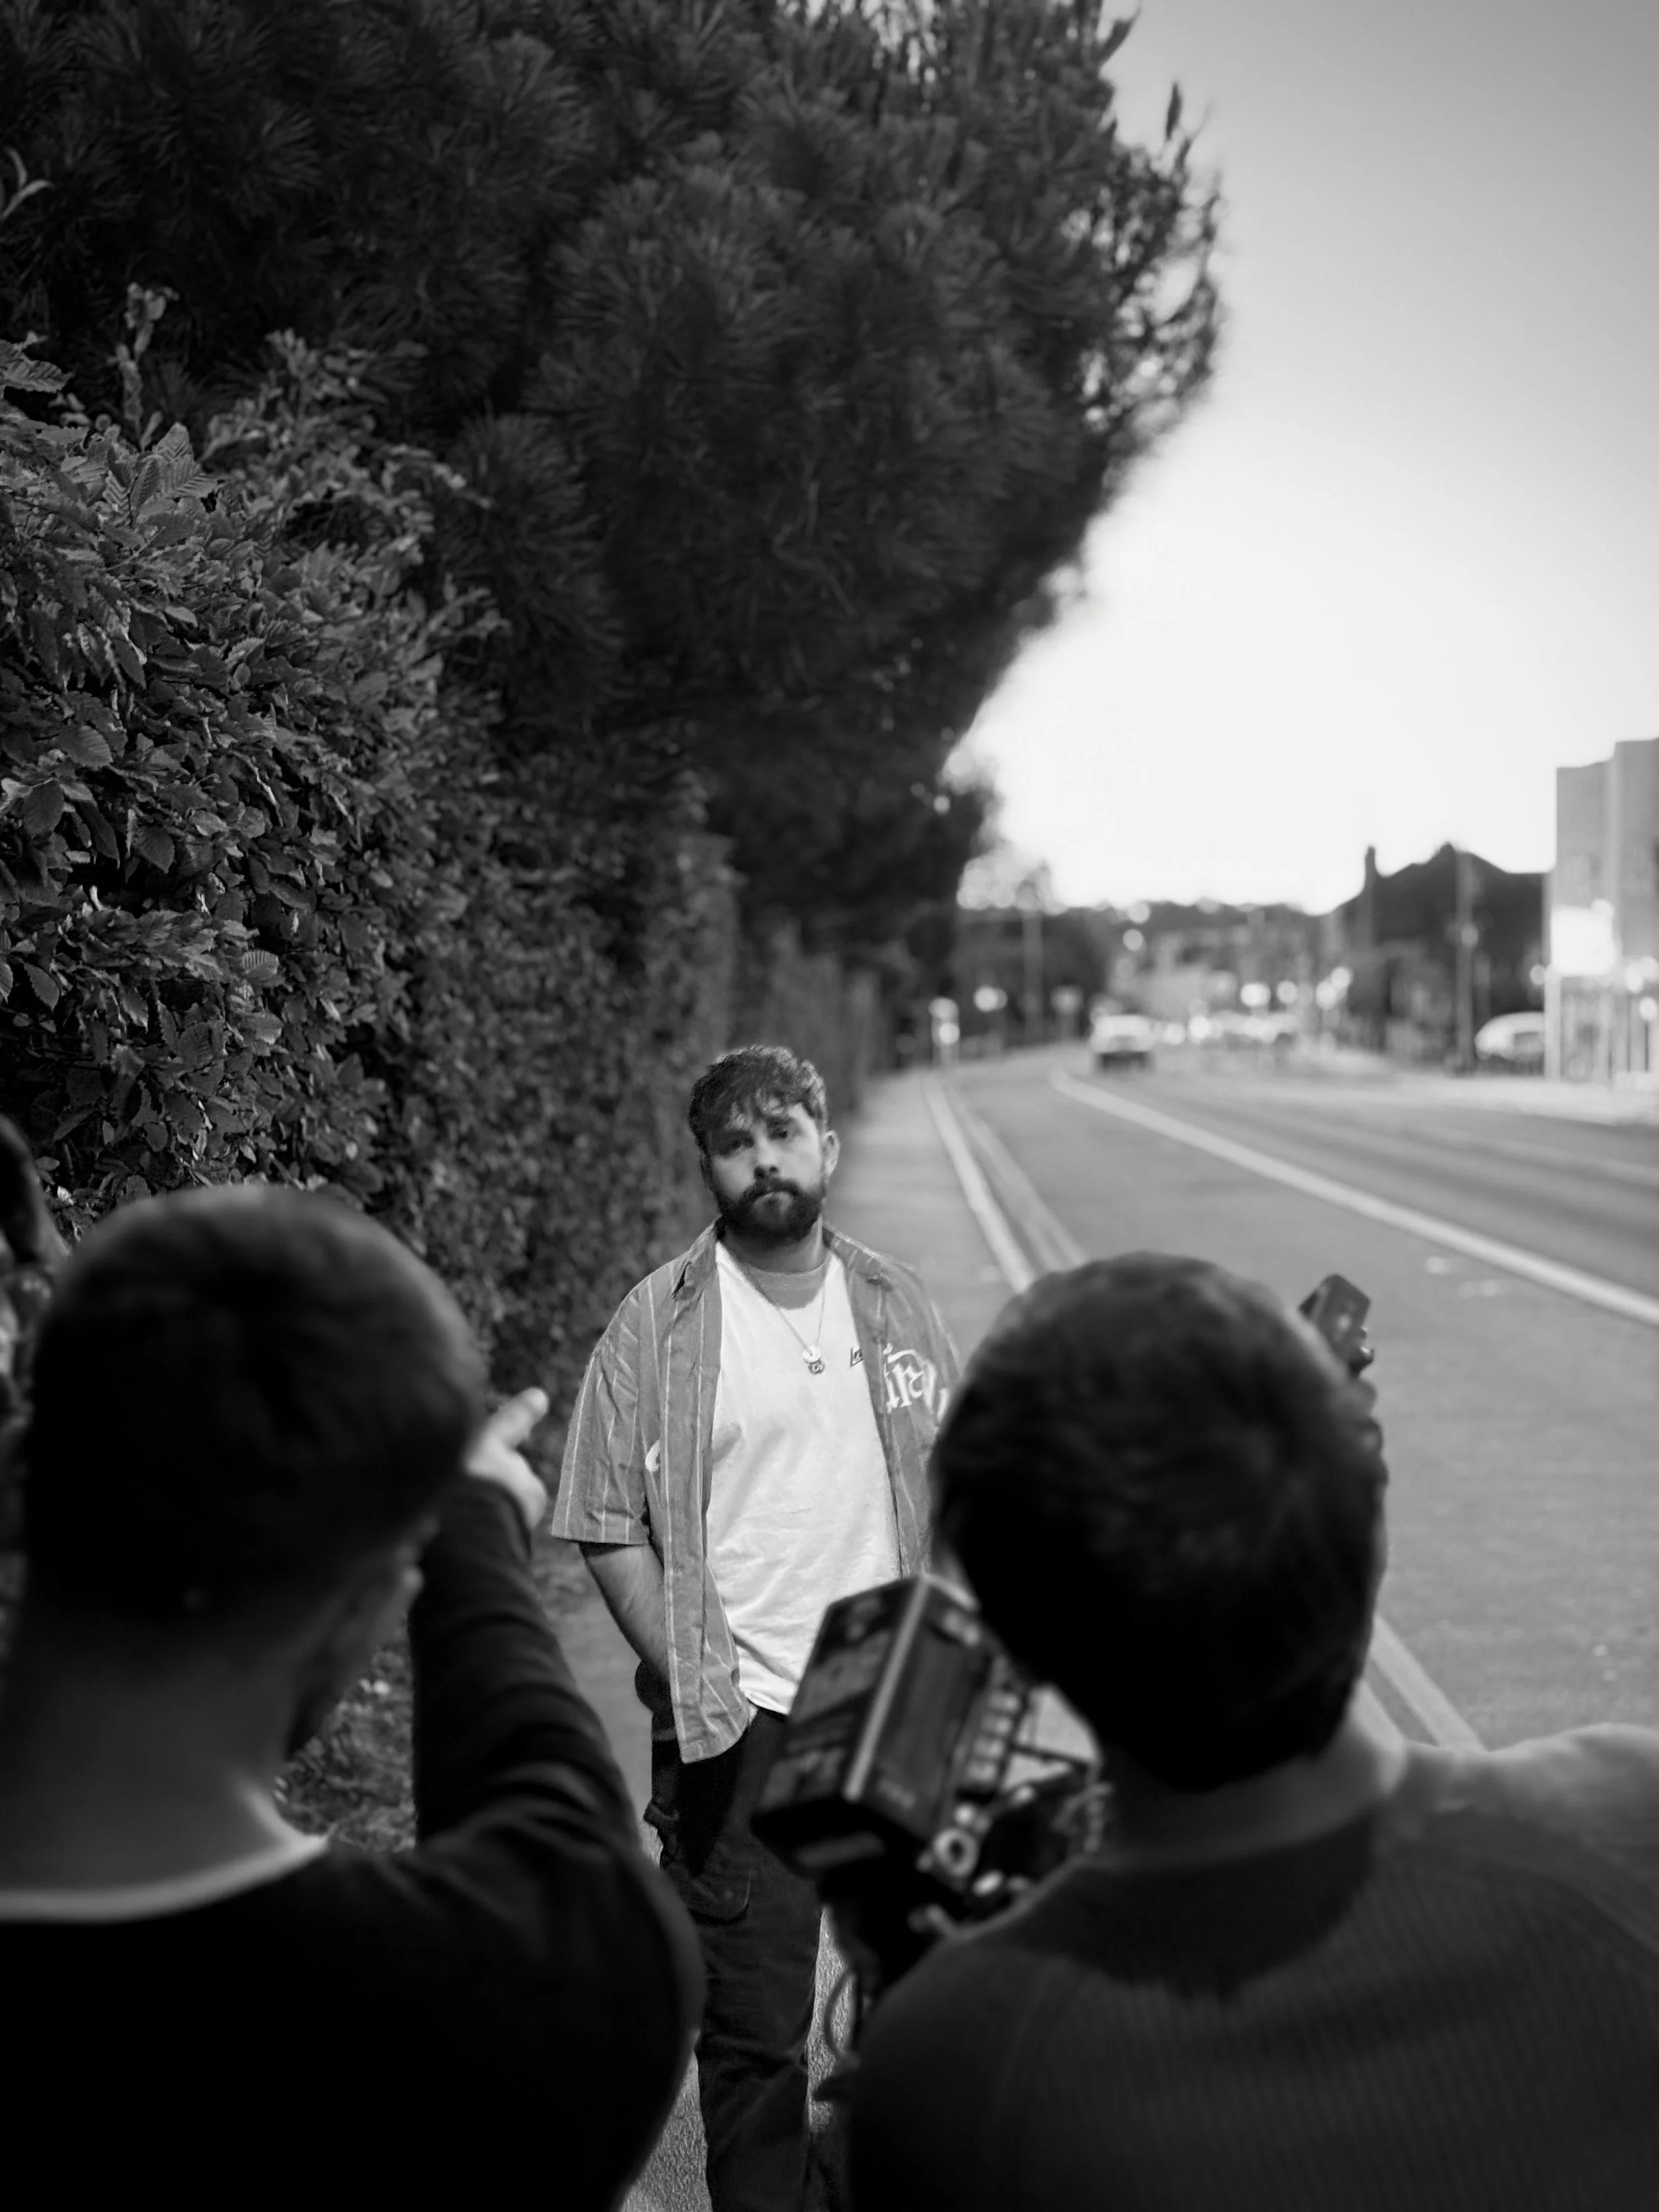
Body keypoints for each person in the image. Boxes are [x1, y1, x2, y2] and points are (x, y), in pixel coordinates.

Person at [847, 1254, 1659, 2211]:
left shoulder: (951, 2063)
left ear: (1016, 1644)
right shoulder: (1629, 1827)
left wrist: (883, 1964)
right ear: (1371, 1528)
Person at [0, 1159, 703, 2201]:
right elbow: (560, 1833)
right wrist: (469, 1536)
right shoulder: (511, 2012)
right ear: (373, 1609)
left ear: (19, 1483)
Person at [553, 1043, 958, 2211]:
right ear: (709, 1171)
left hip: (895, 1701)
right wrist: (687, 1665)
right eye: (737, 1145)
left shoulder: (895, 1303)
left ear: (826, 1148)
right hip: (743, 1722)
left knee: (925, 2024)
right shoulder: (656, 1327)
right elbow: (601, 1516)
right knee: (754, 2045)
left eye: (783, 1134)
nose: (763, 1160)